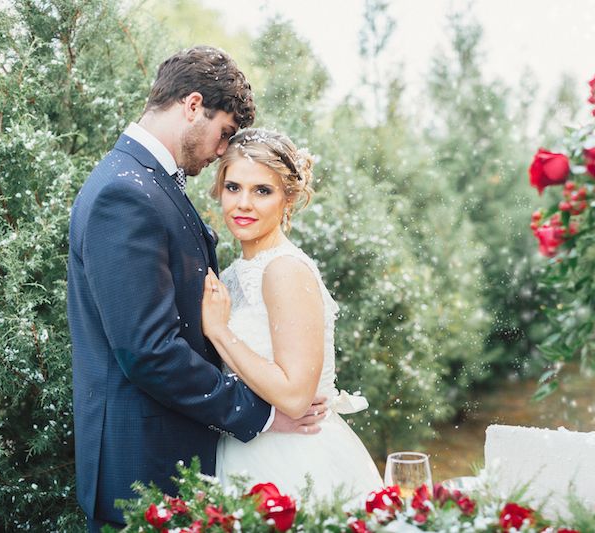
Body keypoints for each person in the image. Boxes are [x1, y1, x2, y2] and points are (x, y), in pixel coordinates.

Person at [67, 47, 325, 532]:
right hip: (142, 470)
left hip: (179, 460)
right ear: (191, 105)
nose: (222, 152)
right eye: (224, 133)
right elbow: (149, 351)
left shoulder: (147, 184)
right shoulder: (126, 193)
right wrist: (262, 416)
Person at [201, 128, 383, 500]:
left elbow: (296, 396)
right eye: (233, 187)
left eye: (262, 191)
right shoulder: (236, 273)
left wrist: (220, 333)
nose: (243, 203)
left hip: (293, 460)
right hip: (247, 450)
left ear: (289, 198)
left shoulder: (284, 269)